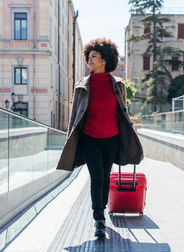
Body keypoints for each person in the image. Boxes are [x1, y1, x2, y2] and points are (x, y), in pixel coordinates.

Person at [57, 38, 144, 238]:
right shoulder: (81, 85)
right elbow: (75, 116)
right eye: (89, 55)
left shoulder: (118, 85)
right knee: (96, 178)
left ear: (104, 60)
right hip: (90, 138)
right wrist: (70, 139)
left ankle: (101, 211)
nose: (89, 58)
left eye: (94, 55)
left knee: (105, 177)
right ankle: (99, 219)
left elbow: (123, 112)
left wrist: (130, 132)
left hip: (112, 138)